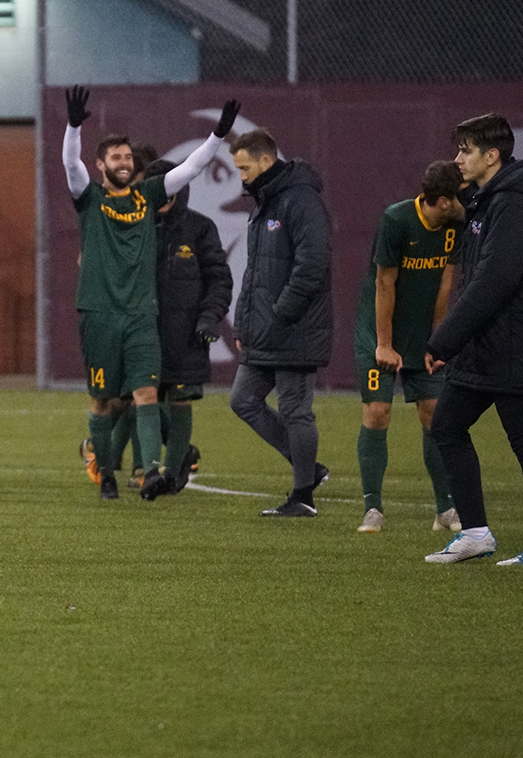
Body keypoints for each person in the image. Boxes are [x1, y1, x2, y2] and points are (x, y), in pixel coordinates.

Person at [61, 86, 239, 501]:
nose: (124, 162)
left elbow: (191, 169)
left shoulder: (147, 195)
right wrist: (72, 127)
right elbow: (70, 164)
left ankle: (151, 473)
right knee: (103, 401)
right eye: (116, 158)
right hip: (100, 315)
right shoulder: (90, 199)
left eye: (128, 157)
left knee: (144, 393)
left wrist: (217, 136)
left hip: (142, 316)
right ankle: (105, 473)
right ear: (101, 164)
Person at [423, 114, 523, 566]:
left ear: (493, 156)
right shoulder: (487, 202)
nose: (458, 157)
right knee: (446, 427)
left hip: (513, 349)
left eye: (466, 150)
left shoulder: (514, 206)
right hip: (485, 349)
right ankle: (476, 533)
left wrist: (443, 340)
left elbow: (494, 283)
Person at [352, 161, 468, 534]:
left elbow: (446, 283)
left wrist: (439, 340)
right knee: (378, 412)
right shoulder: (396, 220)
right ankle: (373, 509)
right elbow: (385, 283)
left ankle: (445, 510)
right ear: (446, 201)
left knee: (434, 413)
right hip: (378, 332)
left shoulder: (455, 225)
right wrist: (384, 344)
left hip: (423, 336)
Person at [226, 127, 334, 518]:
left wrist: (281, 313)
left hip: (296, 327)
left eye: (244, 168)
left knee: (295, 410)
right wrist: (245, 324)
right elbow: (255, 273)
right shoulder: (265, 202)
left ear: (266, 161)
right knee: (242, 401)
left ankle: (303, 496)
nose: (241, 176)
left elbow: (314, 263)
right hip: (266, 330)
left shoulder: (301, 200)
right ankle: (310, 468)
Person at [125, 156, 231, 494]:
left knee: (180, 400)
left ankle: (173, 472)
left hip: (187, 333)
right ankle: (145, 469)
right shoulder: (133, 225)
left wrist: (208, 318)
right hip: (143, 331)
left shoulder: (200, 228)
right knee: (144, 397)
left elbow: (219, 280)